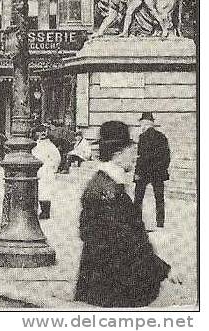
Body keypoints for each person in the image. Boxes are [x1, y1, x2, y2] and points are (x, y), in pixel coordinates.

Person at [75, 120, 173, 307]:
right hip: (112, 288)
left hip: (103, 285)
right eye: (131, 149)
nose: (136, 156)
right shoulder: (108, 190)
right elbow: (127, 242)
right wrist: (164, 270)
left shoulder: (104, 183)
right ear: (118, 154)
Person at [134, 112, 170, 229]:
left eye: (142, 124)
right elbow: (167, 156)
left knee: (138, 198)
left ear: (145, 124)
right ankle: (160, 223)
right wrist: (162, 168)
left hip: (144, 172)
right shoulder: (162, 136)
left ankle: (136, 221)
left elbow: (141, 157)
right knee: (159, 198)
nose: (141, 126)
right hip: (158, 172)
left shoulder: (142, 137)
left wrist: (137, 172)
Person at [32, 124, 61, 219]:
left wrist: (53, 168)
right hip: (38, 170)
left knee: (45, 191)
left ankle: (45, 212)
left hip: (47, 171)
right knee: (39, 191)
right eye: (40, 131)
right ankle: (39, 210)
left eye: (44, 131)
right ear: (37, 133)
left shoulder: (50, 145)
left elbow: (57, 158)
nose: (42, 133)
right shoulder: (35, 145)